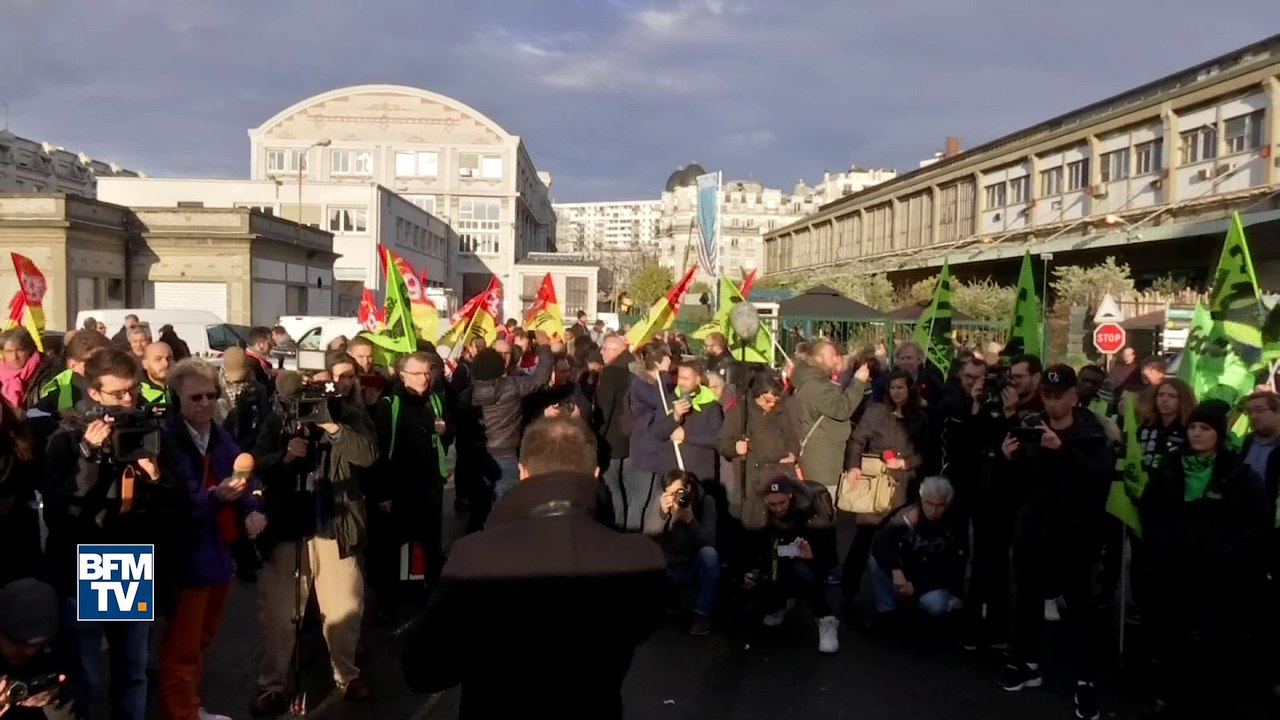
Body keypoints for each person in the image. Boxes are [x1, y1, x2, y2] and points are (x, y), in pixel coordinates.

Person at [402, 417, 666, 719]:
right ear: (596, 474)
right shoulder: (641, 559)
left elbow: (423, 670)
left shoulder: (475, 557)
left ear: (523, 473)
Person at [158, 360, 266, 720]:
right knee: (133, 655)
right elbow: (173, 504)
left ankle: (190, 706)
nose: (205, 403)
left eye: (211, 395)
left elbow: (246, 477)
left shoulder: (217, 434)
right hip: (159, 554)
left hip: (214, 551)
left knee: (197, 642)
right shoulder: (161, 438)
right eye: (195, 397)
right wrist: (215, 498)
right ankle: (181, 712)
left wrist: (253, 507)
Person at [745, 475, 840, 653]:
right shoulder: (763, 513)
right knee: (750, 606)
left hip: (807, 562)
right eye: (772, 504)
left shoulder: (810, 512)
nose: (778, 508)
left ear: (790, 496)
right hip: (775, 560)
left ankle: (825, 617)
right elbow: (752, 545)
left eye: (781, 502)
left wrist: (813, 554)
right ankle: (779, 603)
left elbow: (829, 552)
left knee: (804, 572)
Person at [869, 476, 968, 624]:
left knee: (936, 605)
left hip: (935, 580)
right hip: (909, 570)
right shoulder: (908, 516)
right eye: (929, 504)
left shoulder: (955, 523)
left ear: (947, 503)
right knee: (875, 561)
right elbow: (881, 541)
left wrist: (916, 585)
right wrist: (896, 569)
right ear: (921, 500)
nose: (933, 510)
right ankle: (887, 613)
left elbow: (954, 567)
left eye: (939, 505)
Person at [645, 470, 718, 636]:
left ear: (689, 488)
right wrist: (662, 514)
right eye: (669, 493)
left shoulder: (706, 502)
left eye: (679, 492)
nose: (676, 498)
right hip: (669, 566)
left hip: (693, 565)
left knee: (710, 555)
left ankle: (702, 615)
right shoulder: (662, 502)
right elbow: (649, 535)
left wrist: (690, 520)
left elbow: (710, 542)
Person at [0, 579, 68, 720]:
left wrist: (52, 694)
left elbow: (65, 680)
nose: (29, 652)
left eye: (37, 644)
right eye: (19, 643)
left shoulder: (51, 650)